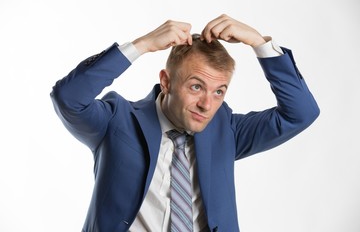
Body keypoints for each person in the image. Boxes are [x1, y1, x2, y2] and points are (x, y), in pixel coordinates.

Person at [51, 14, 320, 232]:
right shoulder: (117, 121)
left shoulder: (226, 131)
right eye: (196, 87)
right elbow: (68, 97)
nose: (207, 104)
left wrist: (259, 43)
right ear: (166, 82)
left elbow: (301, 113)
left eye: (218, 91)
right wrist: (141, 45)